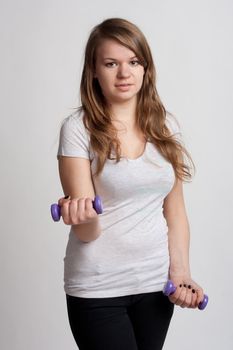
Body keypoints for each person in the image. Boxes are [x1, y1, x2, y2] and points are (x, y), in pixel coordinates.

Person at [56, 17, 205, 350]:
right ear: (94, 70)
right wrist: (81, 215)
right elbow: (87, 232)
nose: (124, 73)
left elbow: (175, 209)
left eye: (133, 62)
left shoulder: (165, 125)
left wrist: (179, 272)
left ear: (145, 68)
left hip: (155, 285)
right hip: (98, 286)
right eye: (111, 63)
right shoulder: (78, 129)